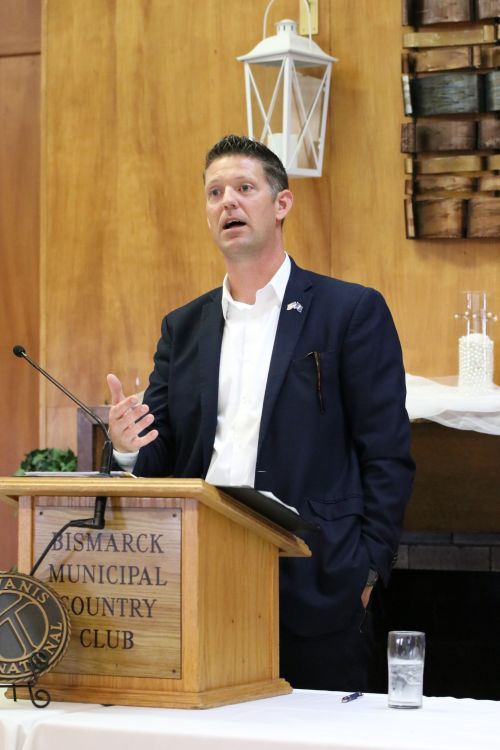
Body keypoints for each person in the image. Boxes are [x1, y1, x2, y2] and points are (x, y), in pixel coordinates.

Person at [107, 134, 415, 692]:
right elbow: (163, 457)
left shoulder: (350, 311)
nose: (228, 202)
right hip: (203, 577)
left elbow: (388, 455)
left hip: (316, 575)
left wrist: (368, 570)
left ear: (281, 204)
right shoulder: (183, 327)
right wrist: (128, 445)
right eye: (214, 192)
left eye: (244, 188)